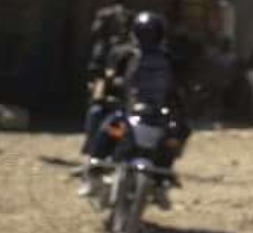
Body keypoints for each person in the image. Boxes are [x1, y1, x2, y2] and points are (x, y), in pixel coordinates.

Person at [81, 11, 192, 208]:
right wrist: (106, 93)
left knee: (175, 133)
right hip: (127, 109)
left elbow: (179, 87)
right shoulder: (123, 53)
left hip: (156, 113)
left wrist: (180, 105)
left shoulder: (169, 59)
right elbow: (106, 79)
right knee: (109, 125)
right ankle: (94, 166)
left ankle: (161, 180)